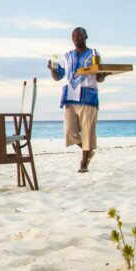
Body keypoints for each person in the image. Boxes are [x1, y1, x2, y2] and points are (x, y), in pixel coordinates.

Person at [49, 27, 105, 173]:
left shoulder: (94, 54)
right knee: (70, 131)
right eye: (73, 35)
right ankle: (89, 150)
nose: (76, 37)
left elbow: (99, 77)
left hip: (88, 96)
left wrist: (102, 74)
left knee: (87, 132)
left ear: (86, 36)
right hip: (70, 97)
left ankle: (84, 162)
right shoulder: (67, 56)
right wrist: (52, 69)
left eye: (79, 35)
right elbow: (58, 77)